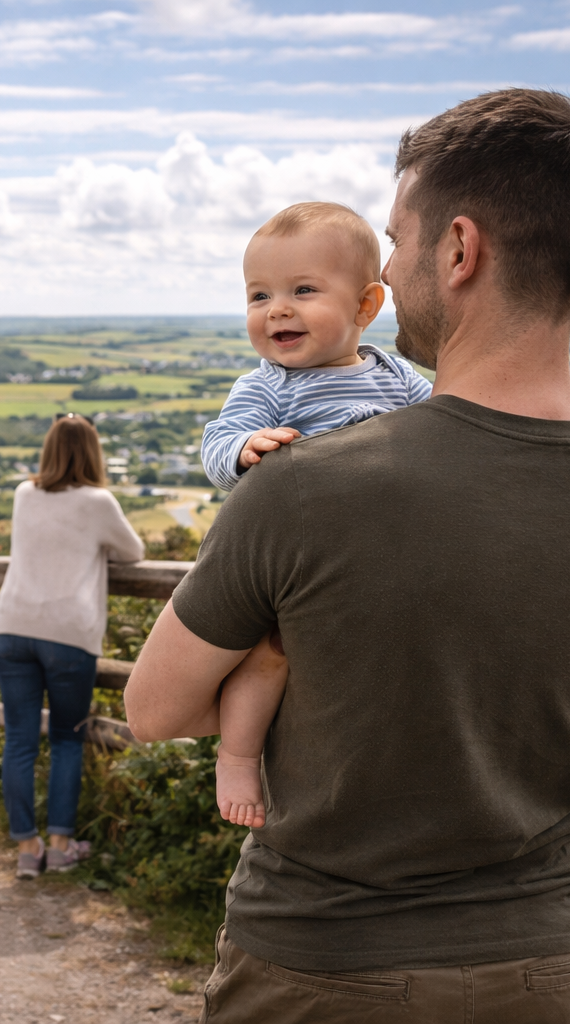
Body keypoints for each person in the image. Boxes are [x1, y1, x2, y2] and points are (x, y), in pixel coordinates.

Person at [125, 88, 570, 1024]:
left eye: (397, 237)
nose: (387, 262)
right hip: (543, 966)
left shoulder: (307, 485)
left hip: (324, 961)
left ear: (460, 250)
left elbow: (154, 709)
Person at [196, 201, 432, 827]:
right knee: (270, 655)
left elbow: (450, 421)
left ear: (366, 306)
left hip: (381, 558)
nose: (277, 309)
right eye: (258, 295)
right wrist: (243, 450)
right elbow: (216, 443)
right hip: (301, 563)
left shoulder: (395, 375)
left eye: (303, 290)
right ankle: (239, 758)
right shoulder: (269, 386)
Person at [0, 413, 145, 880]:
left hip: (12, 628)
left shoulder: (24, 492)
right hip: (68, 635)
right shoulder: (98, 501)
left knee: (18, 740)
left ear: (50, 450)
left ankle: (26, 849)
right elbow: (134, 552)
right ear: (93, 452)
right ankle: (60, 846)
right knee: (65, 739)